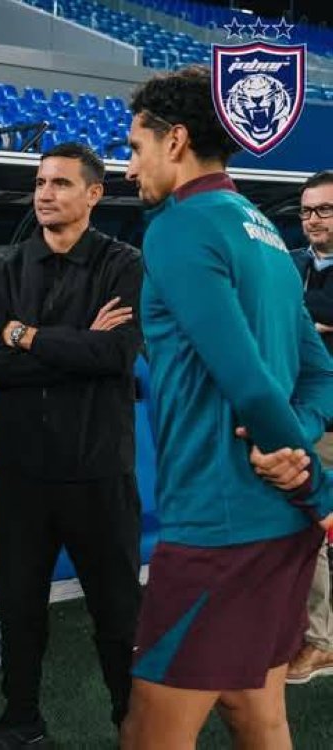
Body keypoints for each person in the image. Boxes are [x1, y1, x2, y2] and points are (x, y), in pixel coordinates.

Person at [120, 66, 333, 749]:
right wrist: (299, 447)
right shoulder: (266, 233)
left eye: (135, 148)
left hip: (218, 524)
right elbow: (322, 375)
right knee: (255, 713)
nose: (130, 168)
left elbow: (246, 382)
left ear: (175, 140)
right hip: (276, 530)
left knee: (149, 732)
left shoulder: (179, 228)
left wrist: (312, 480)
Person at [0, 142, 143, 747]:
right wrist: (72, 347)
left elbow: (115, 353)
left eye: (61, 184)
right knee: (18, 609)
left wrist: (27, 336)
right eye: (40, 182)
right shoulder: (2, 267)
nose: (45, 193)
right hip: (20, 472)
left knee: (118, 613)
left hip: (98, 471)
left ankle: (132, 722)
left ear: (94, 194)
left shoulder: (124, 265)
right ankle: (22, 721)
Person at [286, 169, 333, 685]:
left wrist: (308, 323)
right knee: (309, 529)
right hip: (307, 421)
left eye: (324, 210)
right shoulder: (290, 263)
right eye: (306, 211)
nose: (313, 220)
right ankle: (319, 641)